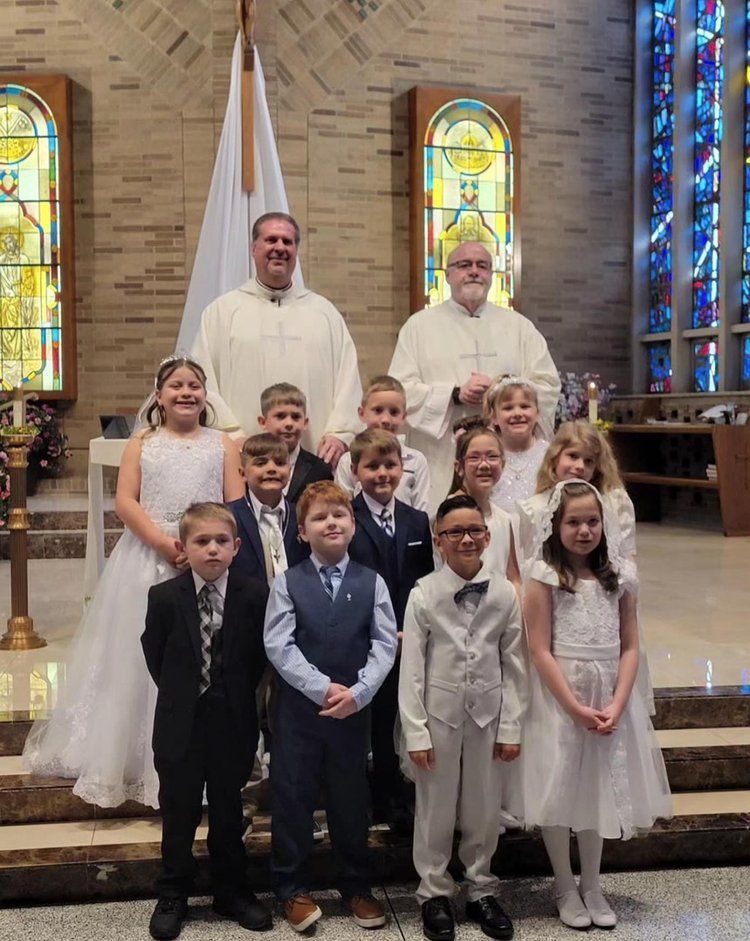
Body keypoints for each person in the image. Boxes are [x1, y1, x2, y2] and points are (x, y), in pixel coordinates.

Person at [22, 355, 243, 808]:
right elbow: (126, 502)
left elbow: (234, 501)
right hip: (147, 556)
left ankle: (201, 754)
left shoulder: (223, 444)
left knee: (202, 655)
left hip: (209, 556)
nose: (186, 393)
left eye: (194, 385)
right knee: (136, 657)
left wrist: (206, 549)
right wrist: (165, 544)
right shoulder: (142, 443)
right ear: (158, 395)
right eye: (176, 385)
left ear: (206, 394)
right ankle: (128, 759)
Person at [521, 481, 671, 930]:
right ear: (555, 525)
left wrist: (619, 701)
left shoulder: (620, 575)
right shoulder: (543, 575)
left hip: (608, 699)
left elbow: (630, 645)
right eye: (573, 522)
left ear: (604, 524)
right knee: (559, 787)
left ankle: (591, 882)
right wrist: (572, 707)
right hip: (561, 700)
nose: (584, 530)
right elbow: (539, 650)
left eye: (592, 521)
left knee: (597, 788)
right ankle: (564, 884)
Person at [263, 481, 398, 932]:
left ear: (354, 524)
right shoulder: (287, 583)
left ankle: (356, 886)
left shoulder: (372, 582)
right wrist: (323, 689)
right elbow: (279, 645)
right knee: (293, 797)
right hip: (300, 715)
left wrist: (358, 693)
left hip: (353, 714)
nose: (332, 522)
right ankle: (291, 887)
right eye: (320, 517)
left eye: (339, 515)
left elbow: (384, 644)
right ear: (302, 532)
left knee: (350, 799)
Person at [399, 494, 527, 941]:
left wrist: (511, 725)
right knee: (434, 807)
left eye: (474, 530)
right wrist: (416, 732)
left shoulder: (507, 593)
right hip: (439, 718)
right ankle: (434, 890)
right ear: (439, 541)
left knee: (484, 804)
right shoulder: (423, 594)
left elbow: (516, 666)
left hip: (488, 717)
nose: (466, 538)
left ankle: (480, 886)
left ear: (488, 536)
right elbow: (412, 669)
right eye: (455, 532)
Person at [141, 503, 271, 940]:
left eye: (220, 541)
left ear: (235, 547)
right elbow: (155, 657)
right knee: (178, 811)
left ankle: (230, 889)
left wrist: (228, 695)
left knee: (229, 810)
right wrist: (187, 695)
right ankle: (175, 890)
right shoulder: (163, 598)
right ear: (184, 548)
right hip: (180, 723)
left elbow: (257, 660)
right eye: (201, 541)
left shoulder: (254, 595)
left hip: (231, 721)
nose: (212, 549)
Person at [388, 240, 560, 513]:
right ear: (448, 274)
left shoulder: (519, 327)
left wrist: (502, 394)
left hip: (507, 460)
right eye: (464, 265)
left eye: (483, 266)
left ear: (492, 275)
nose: (474, 271)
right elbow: (398, 392)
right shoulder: (419, 327)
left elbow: (548, 386)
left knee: (508, 532)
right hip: (441, 458)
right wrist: (455, 394)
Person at [191, 212, 362, 467]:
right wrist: (232, 436)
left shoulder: (324, 313)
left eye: (287, 241)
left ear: (296, 250)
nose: (280, 248)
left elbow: (348, 379)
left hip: (314, 459)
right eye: (271, 240)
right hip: (243, 456)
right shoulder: (222, 312)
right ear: (254, 248)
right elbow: (203, 381)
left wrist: (339, 433)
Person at [516, 420, 654, 713]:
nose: (579, 466)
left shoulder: (611, 504)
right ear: (555, 458)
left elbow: (624, 553)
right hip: (554, 631)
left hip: (605, 620)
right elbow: (525, 562)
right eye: (572, 456)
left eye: (589, 460)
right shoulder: (536, 509)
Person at [347, 429, 434, 833]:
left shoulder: (417, 520)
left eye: (390, 465)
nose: (382, 473)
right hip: (363, 639)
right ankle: (367, 798)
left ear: (402, 468)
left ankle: (398, 797)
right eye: (372, 466)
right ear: (354, 471)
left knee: (402, 717)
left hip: (410, 636)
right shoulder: (345, 518)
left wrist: (412, 629)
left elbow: (425, 580)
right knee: (370, 721)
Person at [448, 419, 521, 597]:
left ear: (503, 464)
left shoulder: (504, 519)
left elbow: (514, 579)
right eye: (474, 458)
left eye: (492, 457)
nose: (484, 465)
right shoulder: (447, 515)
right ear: (459, 467)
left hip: (502, 614)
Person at [336, 375, 431, 512]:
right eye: (378, 410)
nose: (386, 419)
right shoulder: (347, 460)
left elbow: (422, 510)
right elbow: (343, 508)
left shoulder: (416, 460)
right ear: (362, 413)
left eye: (394, 412)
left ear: (404, 417)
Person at [227, 433, 310, 586]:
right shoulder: (229, 518)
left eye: (279, 463)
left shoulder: (302, 515)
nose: (271, 468)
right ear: (243, 473)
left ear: (290, 471)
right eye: (260, 463)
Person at [257, 382, 333, 503]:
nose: (289, 424)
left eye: (296, 417)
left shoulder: (319, 469)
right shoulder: (250, 466)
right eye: (280, 416)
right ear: (263, 422)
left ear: (305, 422)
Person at [483, 375, 548, 513]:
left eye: (525, 406)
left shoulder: (549, 454)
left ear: (537, 414)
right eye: (508, 408)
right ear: (494, 417)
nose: (517, 413)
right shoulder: (487, 456)